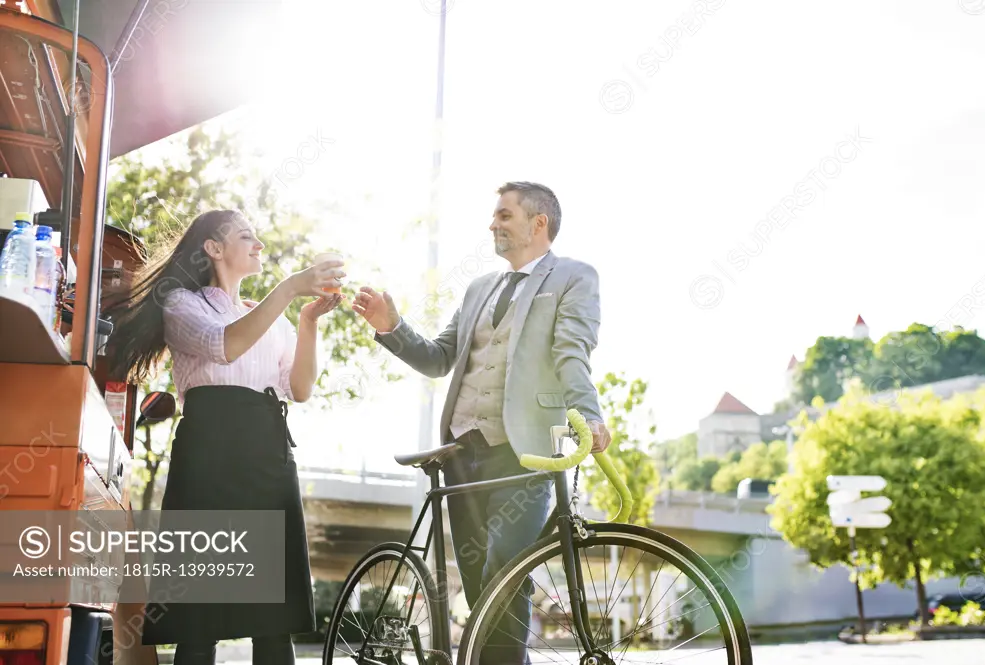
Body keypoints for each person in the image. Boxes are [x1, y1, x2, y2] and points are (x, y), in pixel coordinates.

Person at [353, 181, 611, 664]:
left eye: (504, 215)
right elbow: (438, 358)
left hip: (526, 449)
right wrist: (391, 326)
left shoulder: (574, 277)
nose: (492, 224)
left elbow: (572, 351)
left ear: (539, 223)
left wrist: (589, 414)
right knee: (483, 590)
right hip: (460, 453)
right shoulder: (478, 288)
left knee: (505, 571)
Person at [106, 209, 346, 665]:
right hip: (210, 453)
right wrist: (291, 287)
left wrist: (309, 320)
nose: (259, 245)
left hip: (267, 452)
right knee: (200, 616)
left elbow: (300, 388)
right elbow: (225, 345)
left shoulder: (265, 316)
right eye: (246, 236)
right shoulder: (182, 303)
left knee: (273, 621)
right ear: (213, 249)